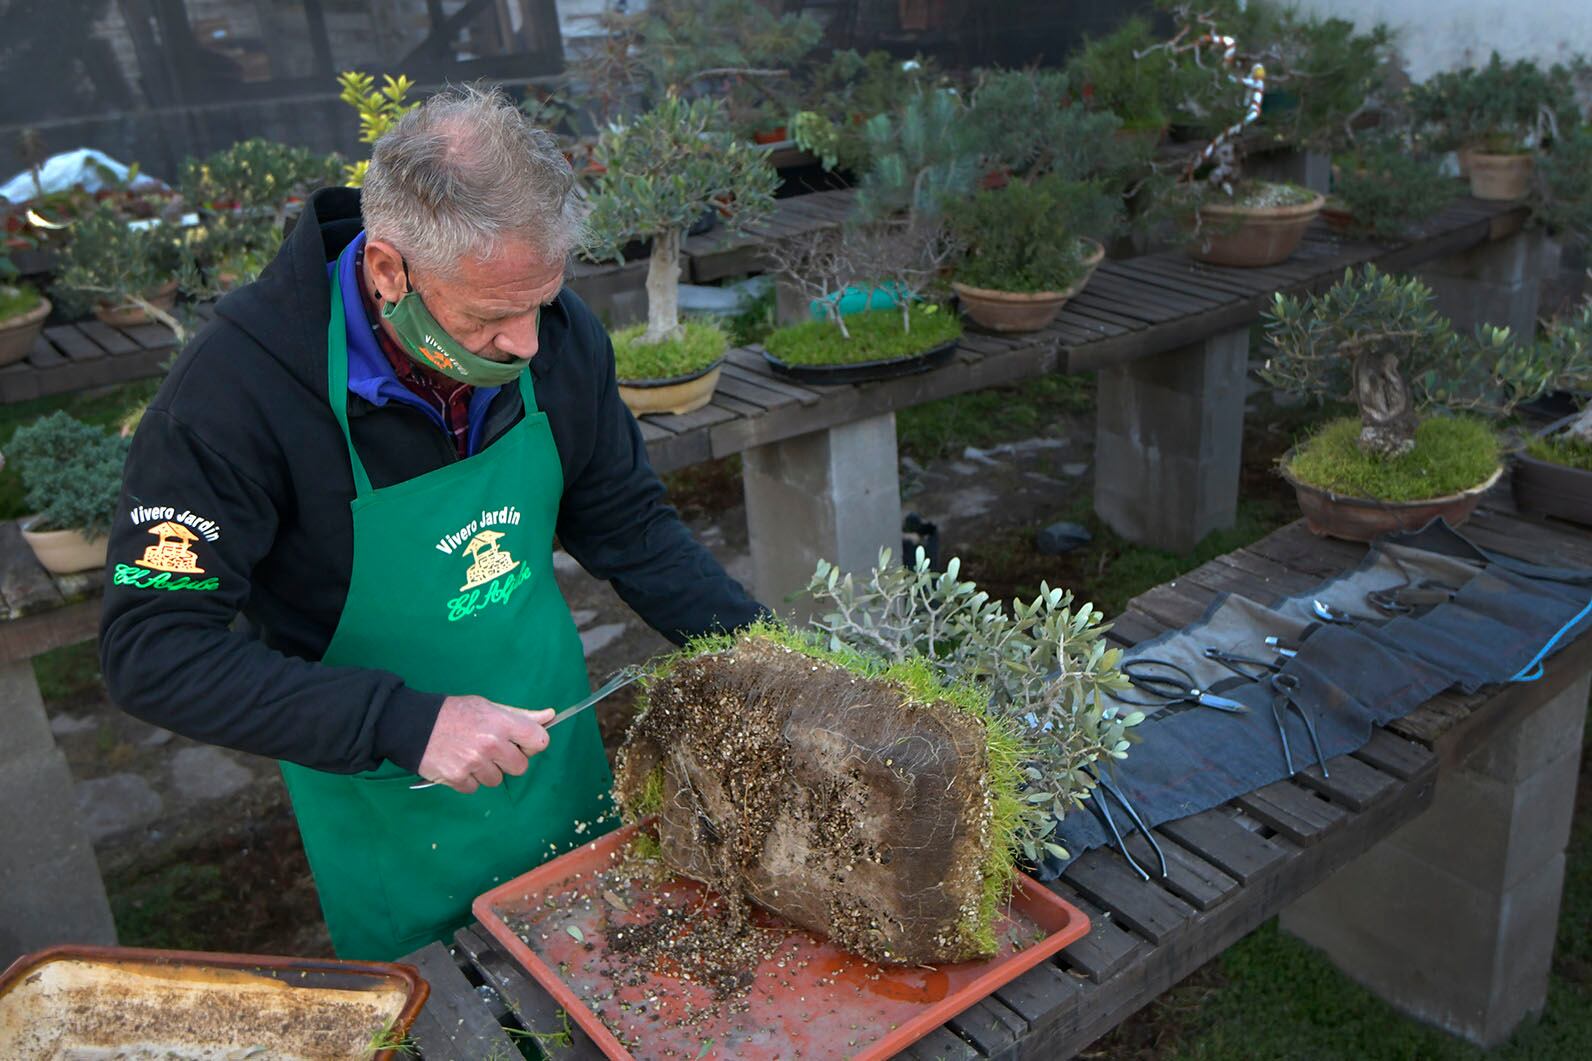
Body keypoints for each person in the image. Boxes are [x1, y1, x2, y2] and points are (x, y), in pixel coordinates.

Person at [99, 85, 766, 961]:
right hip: (388, 800)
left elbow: (629, 524)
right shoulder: (233, 396)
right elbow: (152, 648)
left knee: (602, 973)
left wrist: (765, 652)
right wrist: (403, 723)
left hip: (552, 753)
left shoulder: (555, 335)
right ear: (387, 270)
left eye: (541, 301)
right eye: (492, 316)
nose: (530, 343)